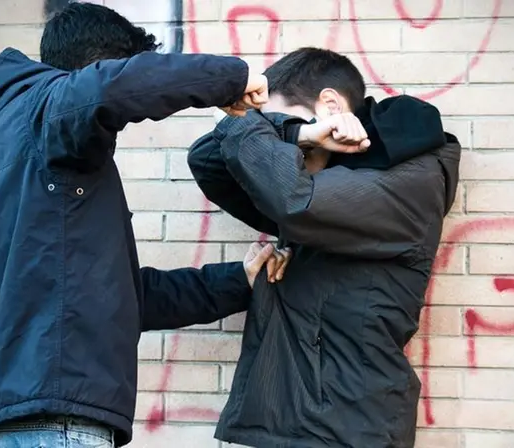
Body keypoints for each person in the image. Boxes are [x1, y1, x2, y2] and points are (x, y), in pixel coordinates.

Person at [0, 3, 289, 447]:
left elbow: (121, 298)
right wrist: (232, 79)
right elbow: (107, 90)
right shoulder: (49, 111)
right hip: (59, 420)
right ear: (97, 68)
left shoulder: (16, 149)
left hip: (34, 415)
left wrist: (238, 281)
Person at [187, 47, 462, 447]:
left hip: (348, 428)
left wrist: (246, 123)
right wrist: (295, 132)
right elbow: (209, 162)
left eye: (287, 122)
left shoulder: (409, 183)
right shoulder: (323, 176)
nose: (288, 155)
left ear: (330, 104)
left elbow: (294, 201)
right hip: (292, 422)